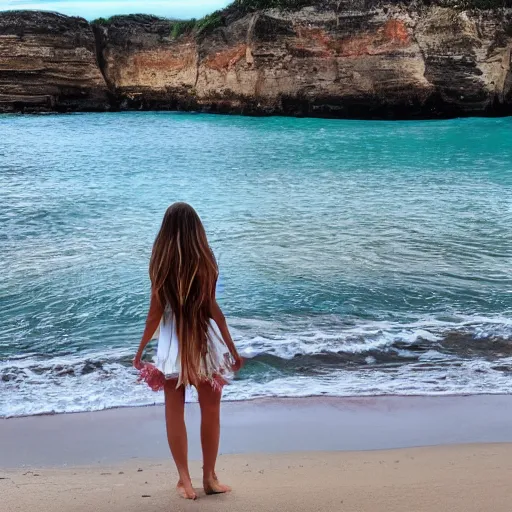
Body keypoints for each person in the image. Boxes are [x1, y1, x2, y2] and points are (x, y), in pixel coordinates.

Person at [133, 202, 243, 500]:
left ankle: (185, 480)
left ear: (165, 233)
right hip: (204, 342)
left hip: (172, 347)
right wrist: (232, 349)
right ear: (198, 230)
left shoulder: (160, 265)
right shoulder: (206, 262)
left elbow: (154, 314)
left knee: (174, 412)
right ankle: (209, 477)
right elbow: (214, 311)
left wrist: (140, 350)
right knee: (211, 410)